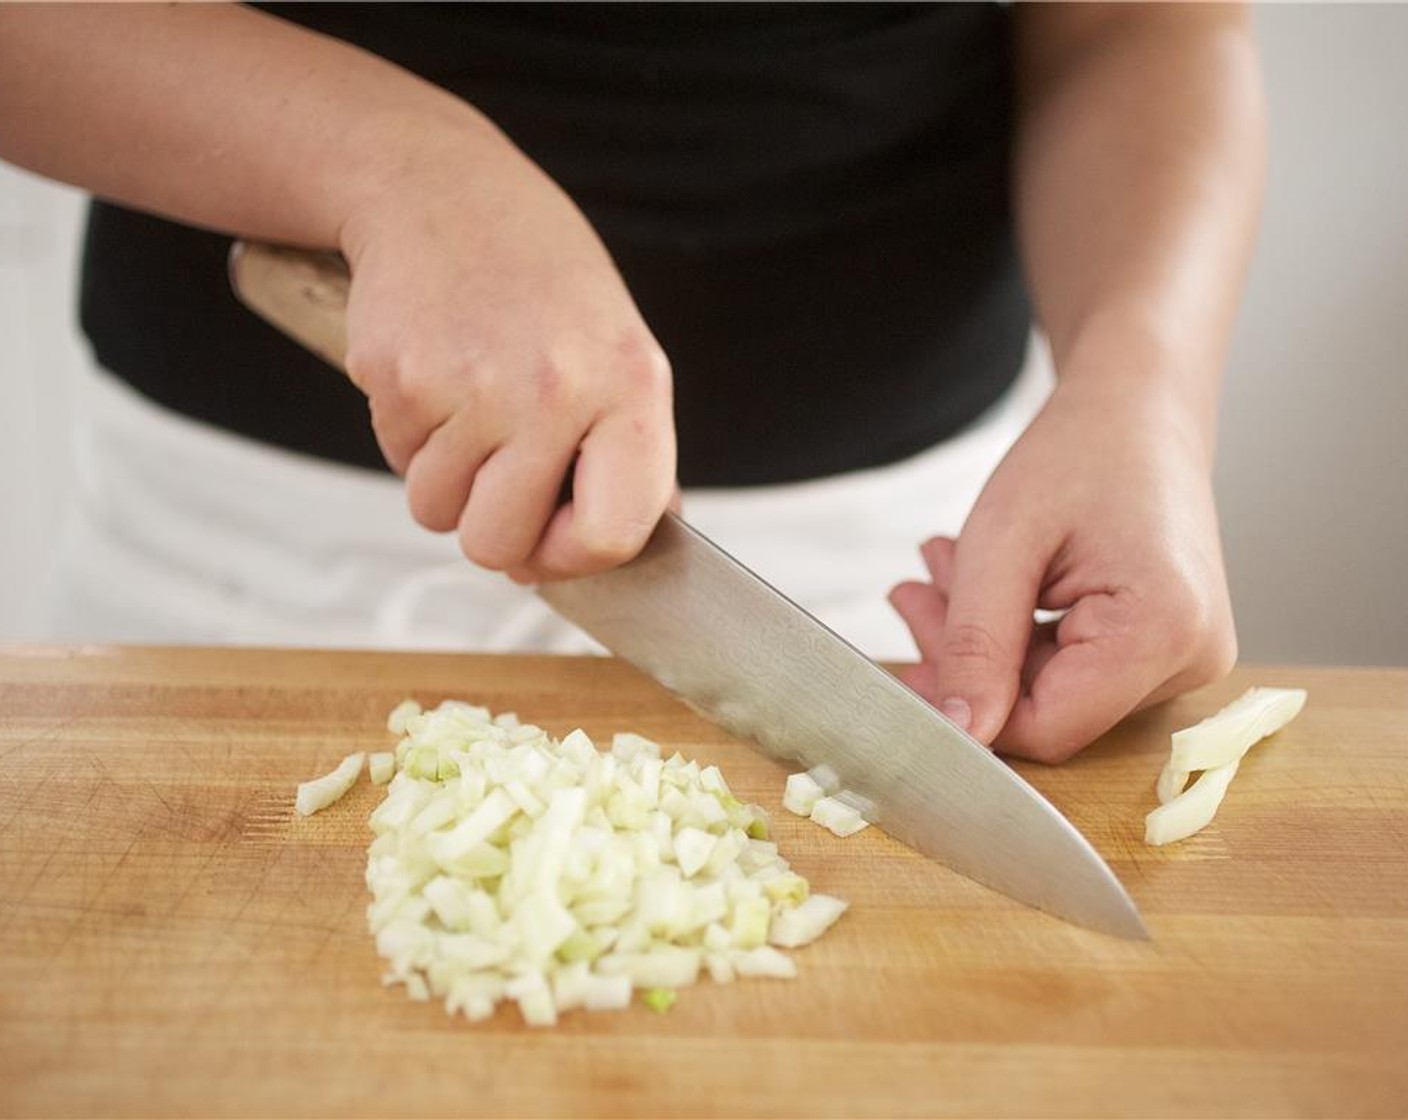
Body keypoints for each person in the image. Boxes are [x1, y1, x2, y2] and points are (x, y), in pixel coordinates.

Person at [0, 3, 1264, 762]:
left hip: (889, 588)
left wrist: (1137, 389)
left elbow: (1141, 19)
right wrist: (391, 164)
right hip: (237, 560)